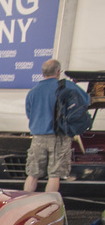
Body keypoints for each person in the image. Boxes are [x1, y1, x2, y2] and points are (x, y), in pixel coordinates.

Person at [24, 58, 90, 194]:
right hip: (59, 138)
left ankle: (26, 205)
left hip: (37, 138)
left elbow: (30, 114)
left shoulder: (33, 91)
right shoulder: (66, 85)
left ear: (42, 73)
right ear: (58, 72)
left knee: (33, 174)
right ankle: (49, 208)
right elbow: (86, 100)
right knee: (54, 176)